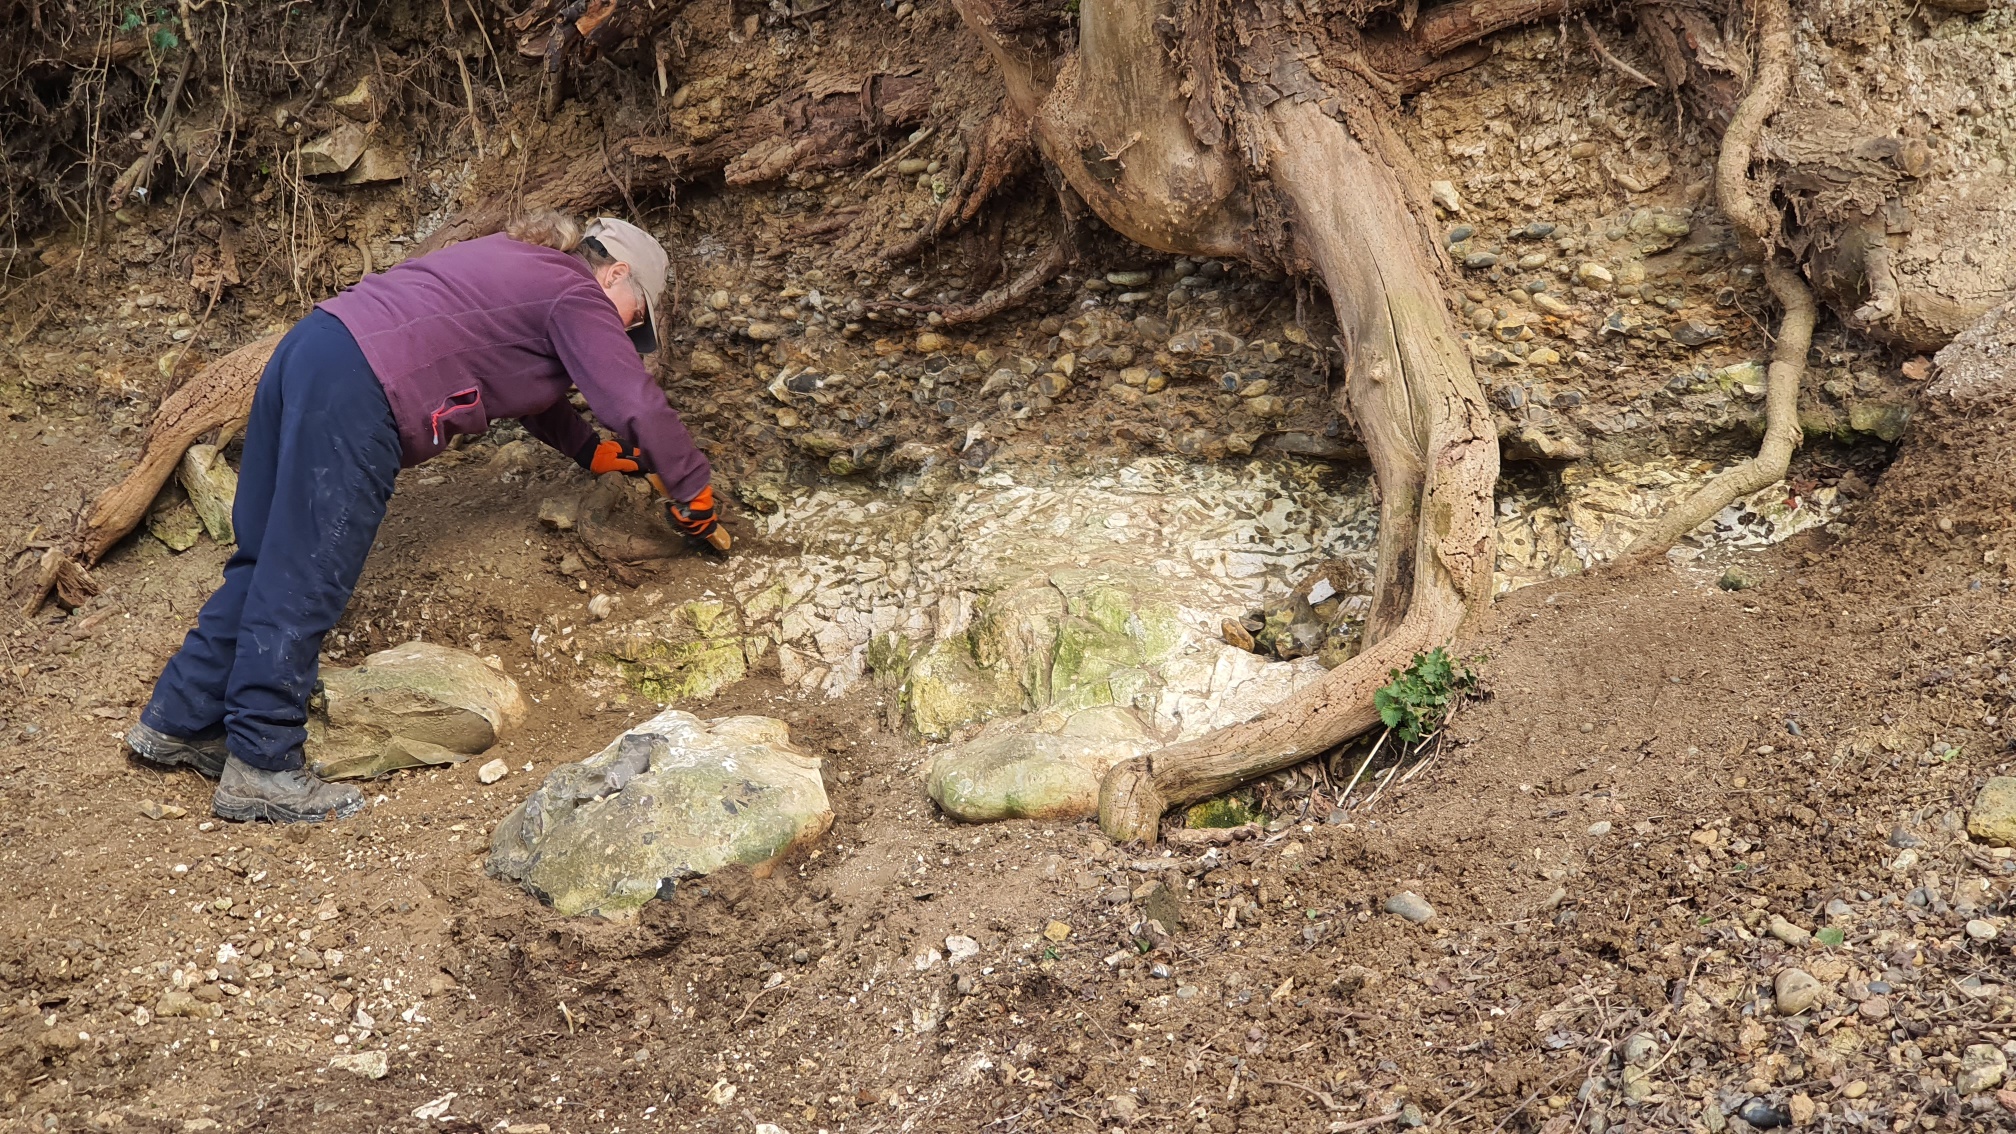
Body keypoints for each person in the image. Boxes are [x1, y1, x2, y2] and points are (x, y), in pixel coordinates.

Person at [122, 212, 720, 823]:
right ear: (615, 271)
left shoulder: (523, 266)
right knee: (307, 573)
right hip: (361, 386)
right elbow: (632, 399)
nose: (627, 331)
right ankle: (263, 763)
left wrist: (586, 449)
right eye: (635, 314)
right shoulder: (578, 293)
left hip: (313, 347)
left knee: (267, 554)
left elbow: (522, 381)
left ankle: (180, 719)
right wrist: (692, 487)